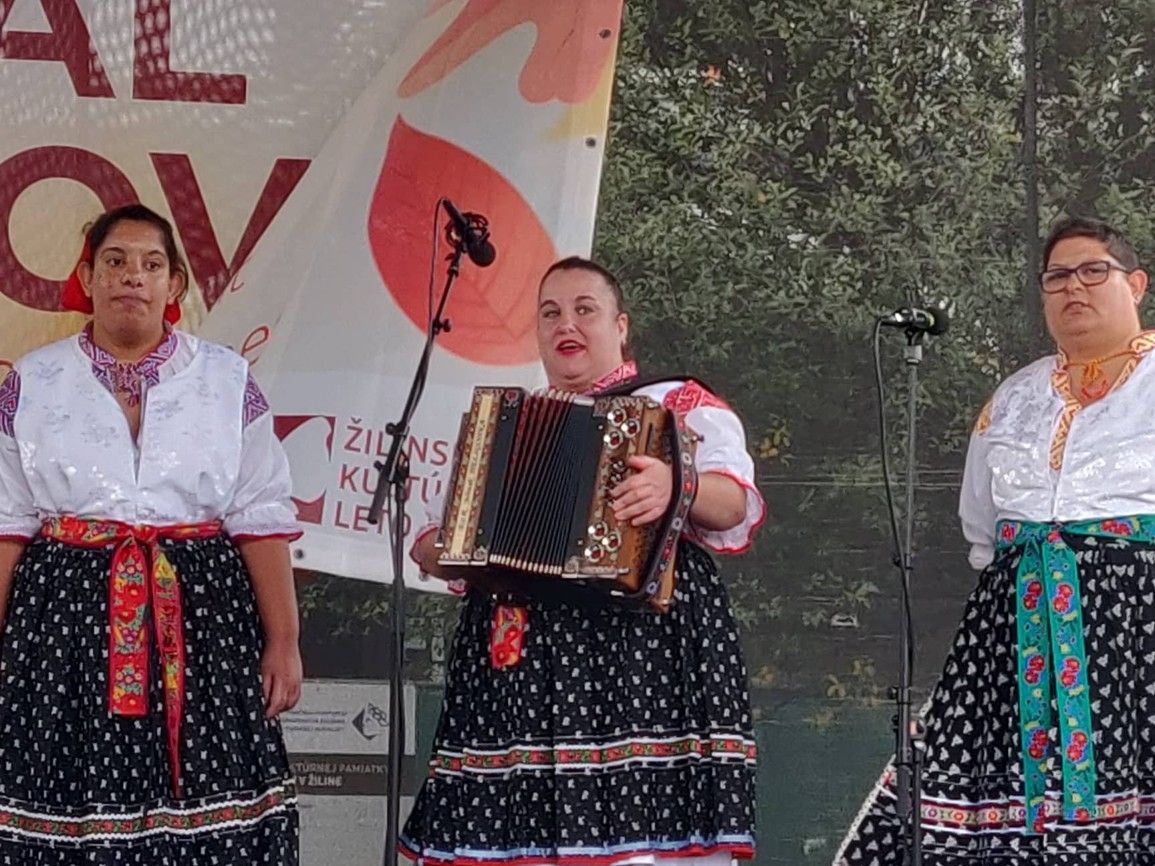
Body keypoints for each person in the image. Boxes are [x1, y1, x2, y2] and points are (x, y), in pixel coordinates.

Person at [400, 256, 766, 866]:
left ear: (621, 326)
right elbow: (440, 541)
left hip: (642, 653)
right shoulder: (507, 423)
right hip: (523, 668)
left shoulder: (676, 400)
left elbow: (735, 504)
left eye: (584, 310)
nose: (566, 323)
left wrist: (679, 486)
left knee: (643, 839)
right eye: (550, 313)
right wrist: (444, 553)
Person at [835, 216, 1155, 864]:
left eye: (1093, 270)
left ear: (1136, 284)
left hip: (1135, 624)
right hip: (1012, 624)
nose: (1073, 287)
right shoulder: (1012, 397)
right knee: (997, 804)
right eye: (1056, 277)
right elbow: (980, 528)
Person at [0, 204, 302, 864]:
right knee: (65, 790)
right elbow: (6, 525)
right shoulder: (34, 380)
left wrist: (283, 641)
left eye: (150, 264)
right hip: (65, 625)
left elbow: (260, 517)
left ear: (176, 286)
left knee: (211, 790)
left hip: (204, 617)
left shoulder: (225, 379)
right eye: (114, 261)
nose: (131, 276)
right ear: (87, 276)